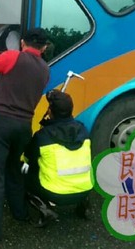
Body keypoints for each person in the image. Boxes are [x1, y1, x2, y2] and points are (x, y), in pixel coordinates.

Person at [0, 28, 50, 242]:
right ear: (44, 48)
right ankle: (20, 213)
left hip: (1, 124)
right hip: (24, 126)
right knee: (14, 169)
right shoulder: (45, 69)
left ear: (22, 43)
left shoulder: (13, 56)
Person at [22, 89, 93, 227]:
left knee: (27, 178)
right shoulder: (83, 130)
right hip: (85, 189)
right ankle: (84, 206)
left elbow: (28, 158)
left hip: (55, 194)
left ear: (50, 111)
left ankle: (45, 210)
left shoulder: (43, 136)